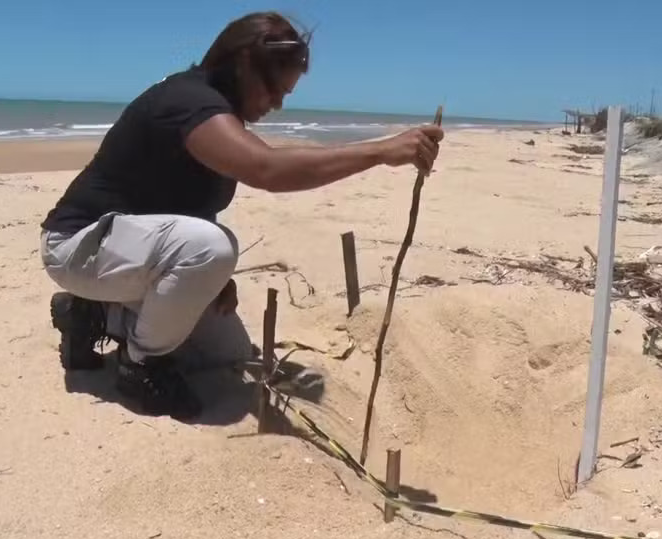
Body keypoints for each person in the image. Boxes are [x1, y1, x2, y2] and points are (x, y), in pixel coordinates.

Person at [38, 11, 444, 421]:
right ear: (243, 64)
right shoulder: (189, 102)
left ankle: (89, 315)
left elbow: (183, 207)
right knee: (211, 248)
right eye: (273, 89)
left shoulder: (219, 115)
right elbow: (266, 170)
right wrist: (378, 152)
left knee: (224, 352)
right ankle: (140, 368)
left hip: (124, 251)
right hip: (78, 246)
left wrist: (207, 282)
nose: (278, 104)